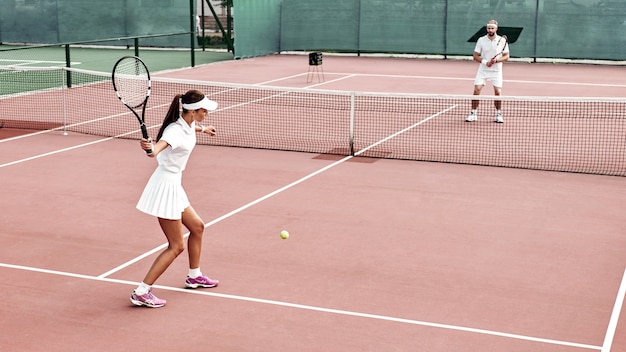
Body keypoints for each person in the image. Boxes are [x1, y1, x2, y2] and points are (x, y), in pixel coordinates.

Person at [130, 89, 219, 308]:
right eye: (204, 111)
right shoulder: (174, 131)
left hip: (175, 185)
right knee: (176, 246)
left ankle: (194, 276)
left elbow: (190, 129)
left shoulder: (188, 124)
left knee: (197, 227)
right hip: (165, 187)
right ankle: (142, 291)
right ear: (193, 111)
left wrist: (203, 128)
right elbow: (156, 150)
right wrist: (149, 149)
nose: (207, 113)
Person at [466, 20, 510, 123]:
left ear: (496, 29)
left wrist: (496, 60)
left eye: (492, 28)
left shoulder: (502, 41)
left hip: (496, 71)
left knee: (498, 92)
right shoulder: (481, 40)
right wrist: (486, 62)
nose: (490, 30)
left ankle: (498, 114)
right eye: (488, 28)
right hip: (483, 70)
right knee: (476, 90)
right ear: (487, 29)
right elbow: (475, 56)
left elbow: (507, 56)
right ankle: (473, 113)